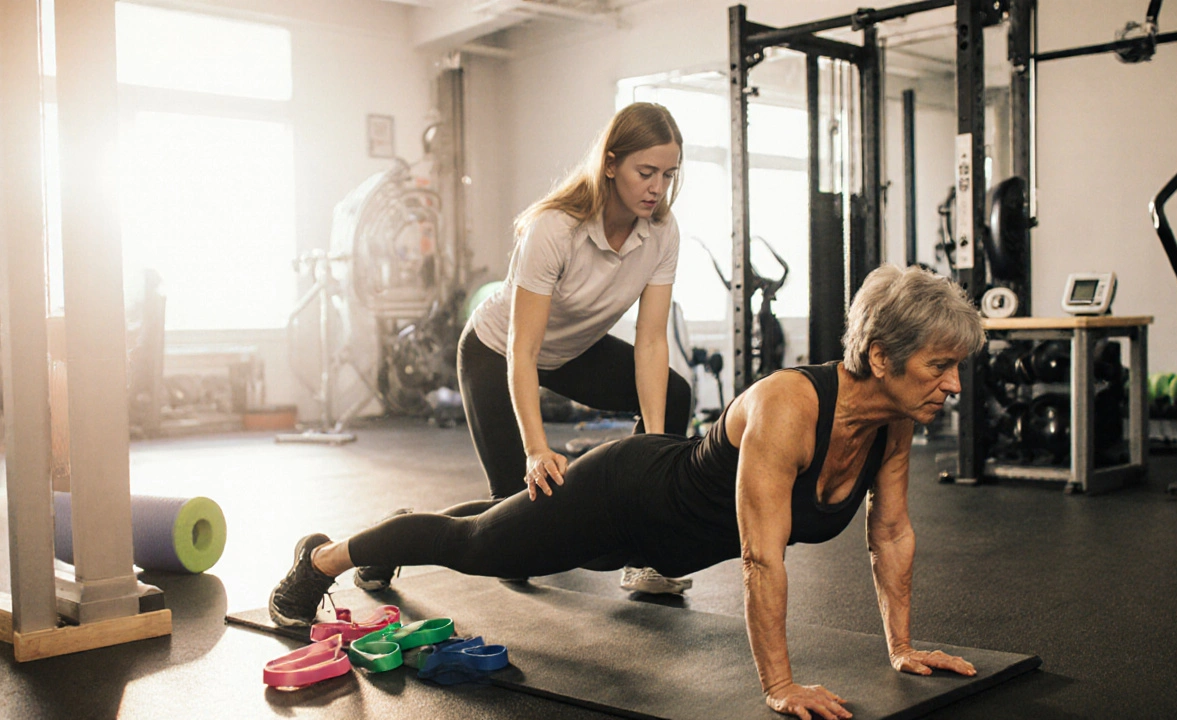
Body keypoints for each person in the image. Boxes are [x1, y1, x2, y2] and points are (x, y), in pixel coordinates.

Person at [270, 264, 986, 720]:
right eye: (940, 366)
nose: (954, 385)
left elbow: (891, 532)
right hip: (621, 496)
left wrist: (901, 648)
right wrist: (778, 686)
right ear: (882, 356)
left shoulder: (893, 422)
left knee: (499, 526)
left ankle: (402, 530)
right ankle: (323, 558)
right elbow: (760, 556)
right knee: (478, 547)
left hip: (655, 535)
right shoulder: (789, 406)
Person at [394, 101, 691, 596]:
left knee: (674, 394)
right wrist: (536, 450)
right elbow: (523, 349)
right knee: (512, 534)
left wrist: (653, 454)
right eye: (646, 172)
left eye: (668, 174)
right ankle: (393, 538)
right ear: (610, 164)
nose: (657, 187)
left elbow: (652, 342)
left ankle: (644, 559)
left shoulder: (662, 231)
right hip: (497, 351)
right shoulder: (556, 228)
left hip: (574, 350)